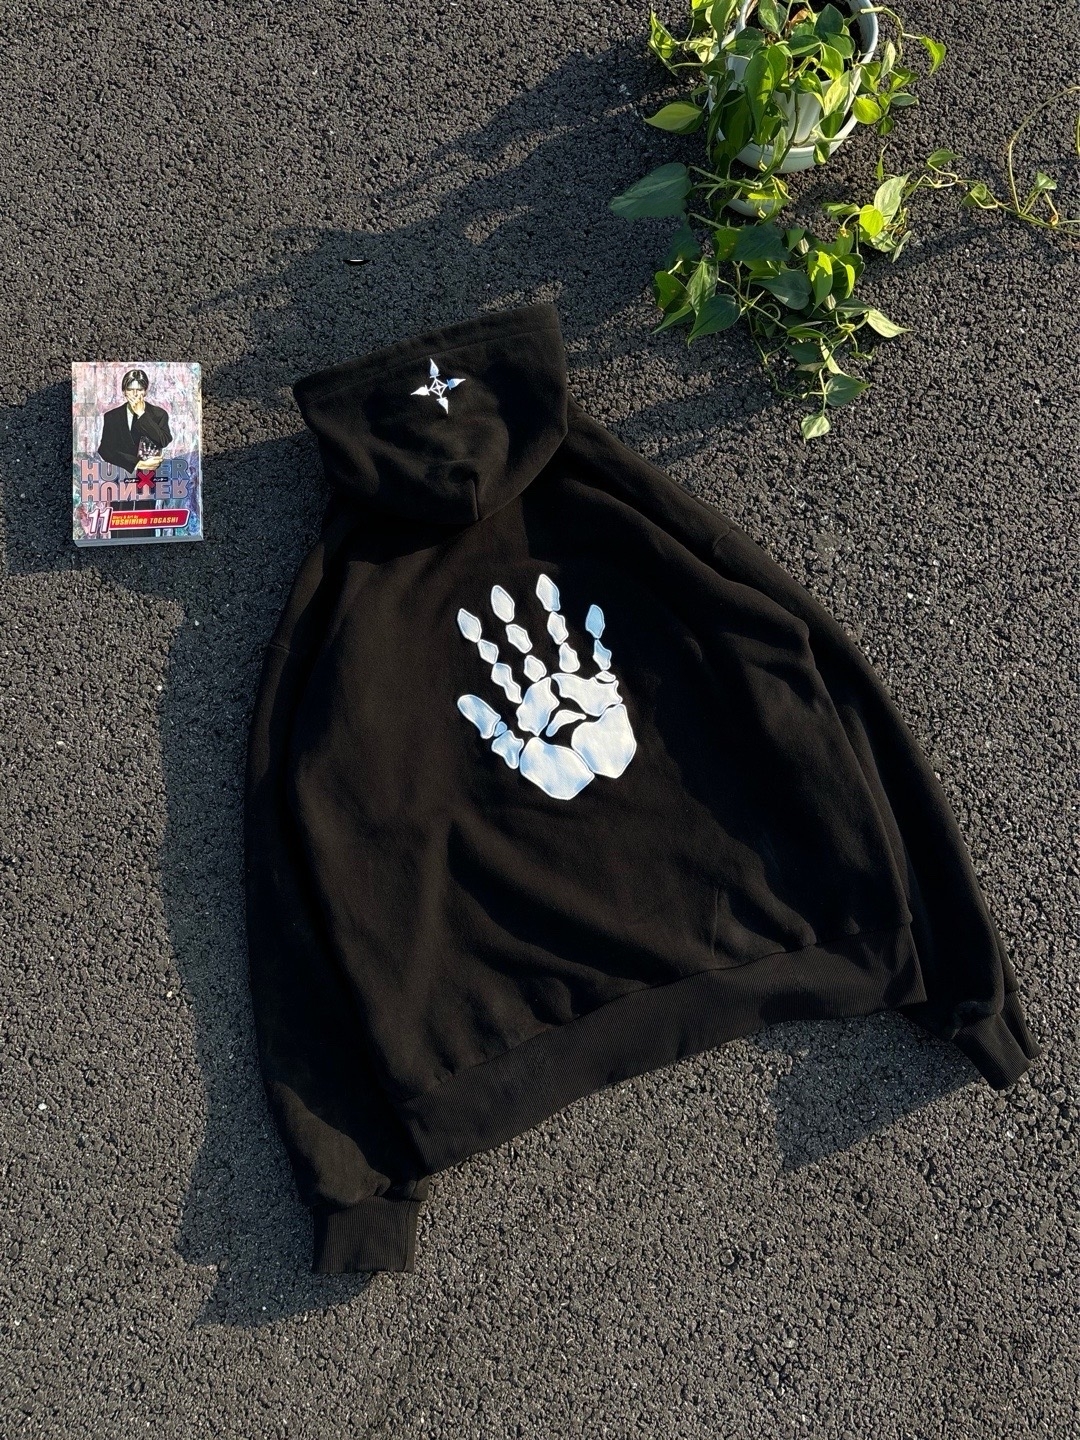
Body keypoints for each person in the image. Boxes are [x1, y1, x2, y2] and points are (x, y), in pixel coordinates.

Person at [97, 369, 172, 511]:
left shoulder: (158, 414)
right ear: (124, 391)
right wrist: (136, 463)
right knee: (120, 519)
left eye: (139, 389)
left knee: (146, 518)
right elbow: (105, 450)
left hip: (149, 480)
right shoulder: (112, 416)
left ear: (145, 391)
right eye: (131, 390)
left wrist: (142, 415)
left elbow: (163, 440)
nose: (135, 394)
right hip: (121, 479)